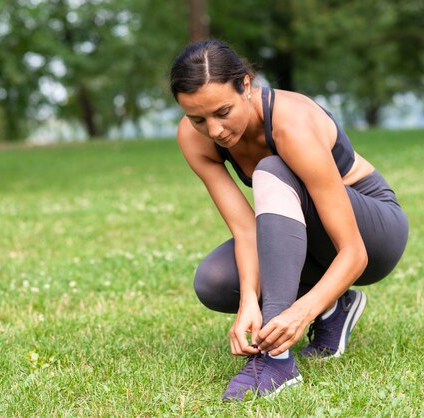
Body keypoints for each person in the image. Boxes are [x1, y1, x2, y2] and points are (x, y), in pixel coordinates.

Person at [170, 39, 408, 400]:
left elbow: (354, 252)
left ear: (246, 85)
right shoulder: (194, 139)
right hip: (308, 236)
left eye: (223, 112)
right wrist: (250, 299)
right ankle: (334, 307)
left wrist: (298, 313)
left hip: (374, 233)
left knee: (272, 167)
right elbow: (247, 230)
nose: (215, 130)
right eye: (197, 118)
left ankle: (277, 360)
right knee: (215, 281)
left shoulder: (290, 123)